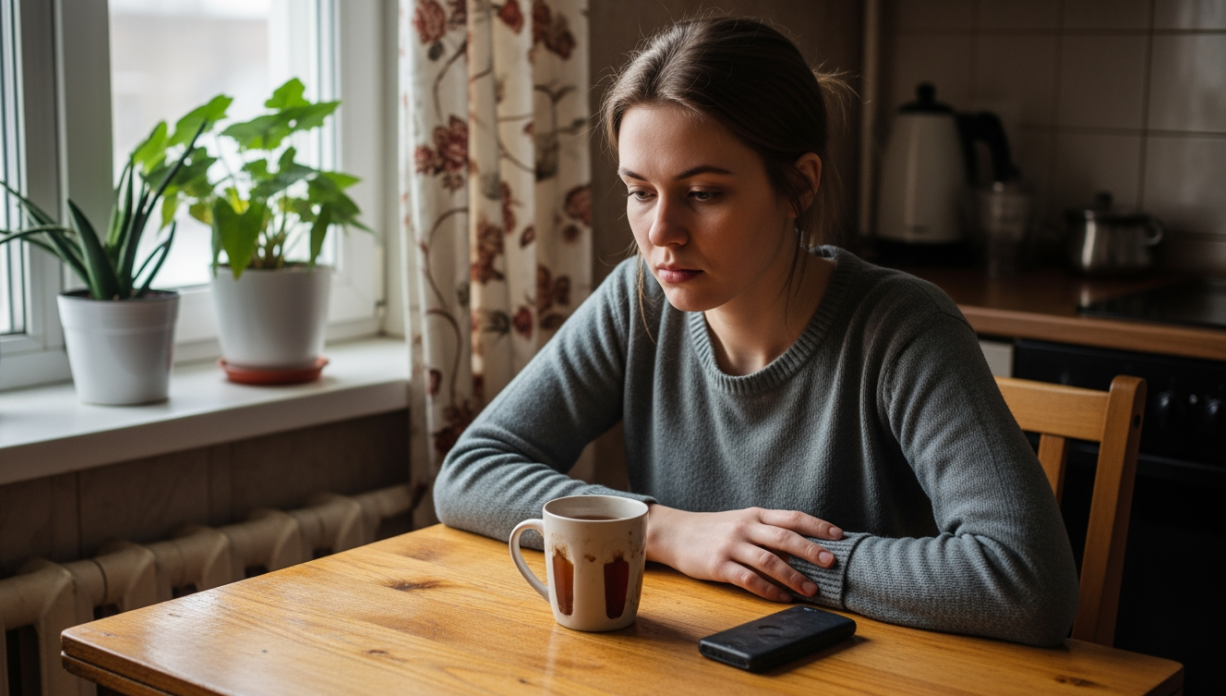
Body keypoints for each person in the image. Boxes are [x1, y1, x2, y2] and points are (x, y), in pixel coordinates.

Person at [434, 16, 1078, 647]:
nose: (661, 233)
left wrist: (771, 559)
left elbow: (1028, 581)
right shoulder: (637, 303)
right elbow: (469, 473)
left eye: (704, 193)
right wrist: (667, 531)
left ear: (798, 185)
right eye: (640, 191)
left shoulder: (904, 331)